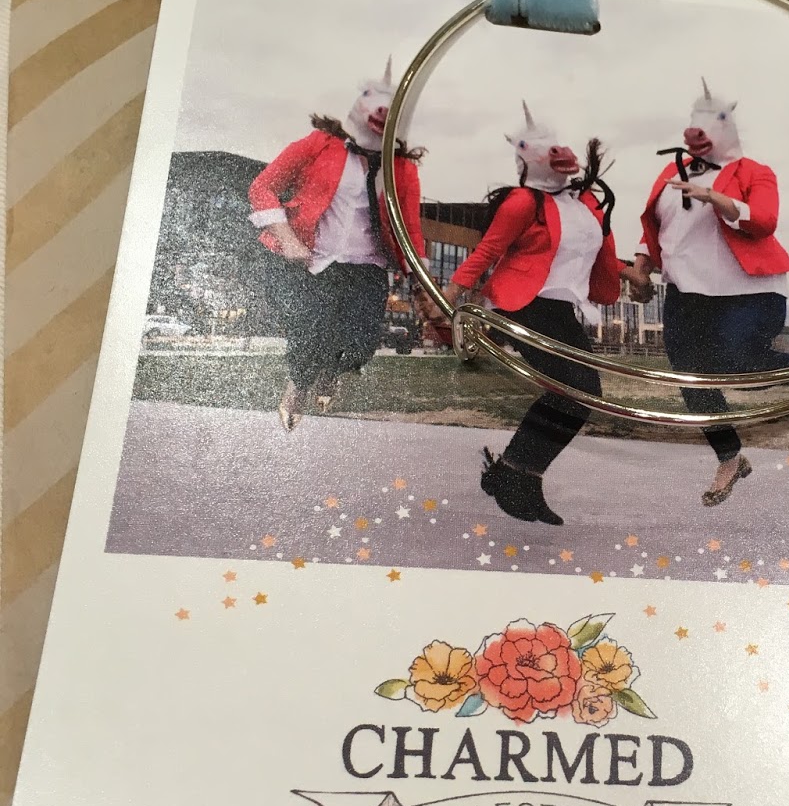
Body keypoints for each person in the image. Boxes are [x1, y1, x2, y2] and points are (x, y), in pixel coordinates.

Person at [447, 103, 621, 525]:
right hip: (524, 304)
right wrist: (450, 295)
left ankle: (516, 475)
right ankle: (516, 476)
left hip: (561, 308)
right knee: (576, 391)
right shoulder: (524, 202)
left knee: (580, 394)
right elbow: (489, 250)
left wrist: (631, 275)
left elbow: (594, 251)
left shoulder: (585, 204)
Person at [624, 79, 789, 506]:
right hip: (687, 294)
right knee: (690, 376)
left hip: (747, 291)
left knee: (735, 363)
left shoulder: (755, 171)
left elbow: (765, 220)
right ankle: (730, 458)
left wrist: (715, 197)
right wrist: (642, 266)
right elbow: (657, 227)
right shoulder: (672, 173)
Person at [248, 59, 426, 431]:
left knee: (361, 344)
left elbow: (411, 231)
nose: (382, 111)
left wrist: (422, 286)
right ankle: (297, 385)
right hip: (315, 262)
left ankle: (332, 372)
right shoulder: (320, 145)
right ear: (358, 103)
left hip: (367, 268)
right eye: (373, 99)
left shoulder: (403, 170)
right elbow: (262, 187)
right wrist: (288, 239)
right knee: (310, 334)